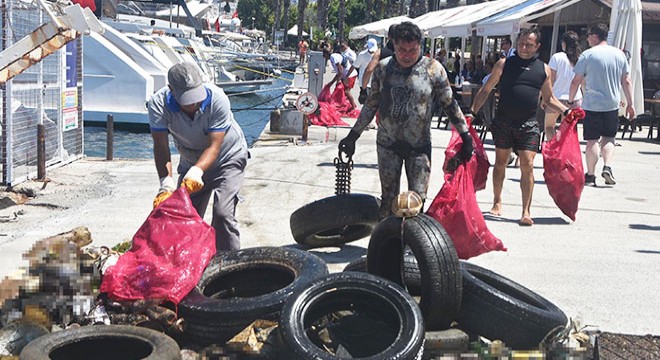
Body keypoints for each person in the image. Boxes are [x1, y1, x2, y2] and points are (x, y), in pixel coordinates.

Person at [338, 22, 474, 219]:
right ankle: (386, 243)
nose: (407, 54)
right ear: (393, 44)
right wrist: (353, 136)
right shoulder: (383, 69)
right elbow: (371, 105)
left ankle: (412, 243)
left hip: (419, 146)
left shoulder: (433, 69)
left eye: (412, 49)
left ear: (421, 45)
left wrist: (465, 135)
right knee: (388, 200)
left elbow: (449, 104)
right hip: (387, 144)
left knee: (416, 201)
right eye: (402, 49)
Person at [471, 28, 569, 226]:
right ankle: (497, 201)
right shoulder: (503, 64)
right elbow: (486, 89)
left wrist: (567, 111)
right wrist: (472, 112)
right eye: (521, 44)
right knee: (500, 162)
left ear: (537, 47)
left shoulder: (544, 69)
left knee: (528, 164)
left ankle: (526, 210)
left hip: (529, 123)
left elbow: (549, 98)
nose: (524, 48)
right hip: (504, 121)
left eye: (529, 45)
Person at [149, 62, 249, 251]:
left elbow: (214, 146)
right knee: (182, 215)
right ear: (171, 90)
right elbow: (161, 146)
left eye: (195, 96)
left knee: (222, 214)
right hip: (190, 160)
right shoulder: (158, 104)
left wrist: (197, 171)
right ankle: (187, 261)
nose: (193, 104)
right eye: (186, 99)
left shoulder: (218, 99)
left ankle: (230, 264)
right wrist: (166, 182)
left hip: (227, 157)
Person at [568, 23, 634, 187]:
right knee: (609, 138)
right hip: (612, 103)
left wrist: (570, 101)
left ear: (595, 36)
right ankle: (608, 166)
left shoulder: (588, 55)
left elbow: (576, 80)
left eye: (589, 35)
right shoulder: (619, 55)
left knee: (591, 141)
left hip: (591, 104)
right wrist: (631, 104)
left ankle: (590, 175)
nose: (588, 38)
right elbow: (626, 81)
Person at [544, 31, 583, 140]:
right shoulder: (581, 59)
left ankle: (554, 149)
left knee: (549, 126)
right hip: (575, 99)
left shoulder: (557, 57)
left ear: (564, 43)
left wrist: (544, 98)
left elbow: (550, 80)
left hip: (556, 98)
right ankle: (563, 151)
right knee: (566, 129)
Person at [324, 45, 358, 111]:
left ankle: (353, 107)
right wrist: (335, 81)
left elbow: (340, 71)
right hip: (346, 75)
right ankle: (348, 105)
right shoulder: (333, 57)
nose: (323, 57)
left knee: (346, 91)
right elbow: (339, 72)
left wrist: (335, 81)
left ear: (326, 54)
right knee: (342, 91)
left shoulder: (333, 57)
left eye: (324, 55)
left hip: (350, 75)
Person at [352, 38, 378, 105]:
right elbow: (355, 65)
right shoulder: (362, 55)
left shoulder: (378, 55)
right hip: (363, 81)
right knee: (366, 100)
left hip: (373, 81)